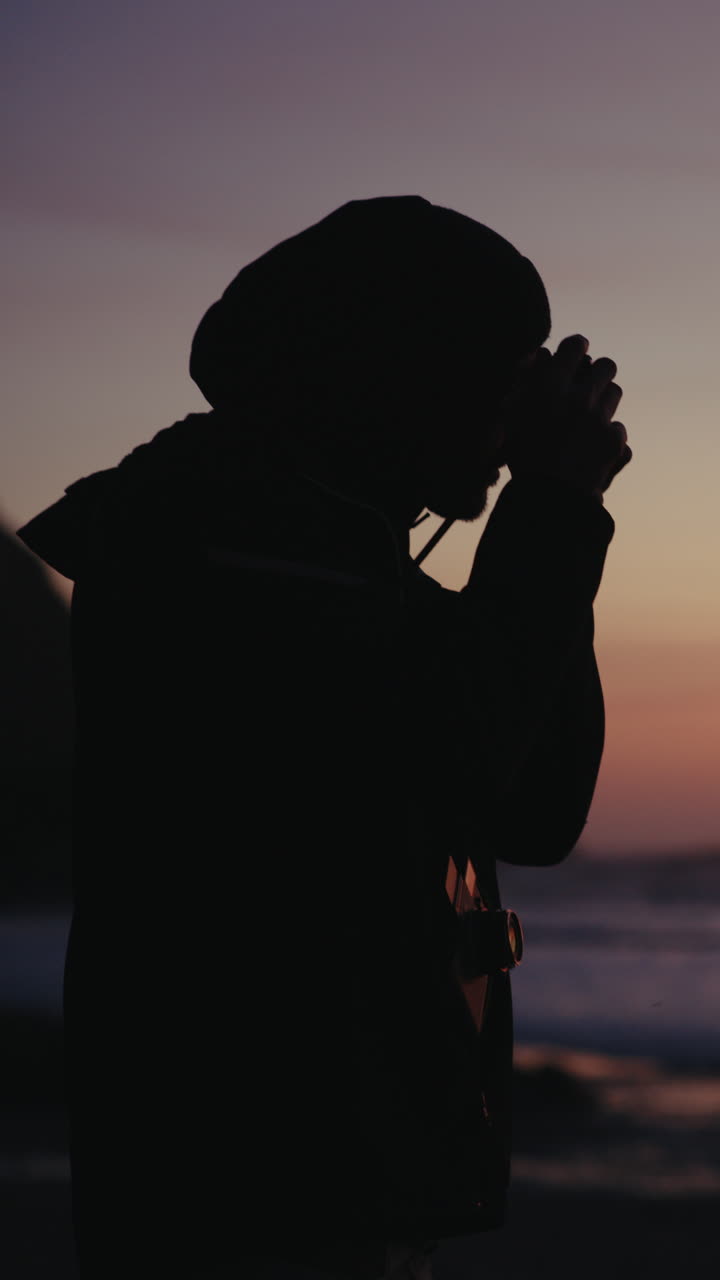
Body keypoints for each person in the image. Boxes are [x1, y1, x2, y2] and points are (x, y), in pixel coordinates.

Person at [17, 195, 630, 1279]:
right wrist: (548, 510)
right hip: (250, 1193)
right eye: (494, 381)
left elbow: (535, 809)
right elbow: (463, 747)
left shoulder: (333, 549)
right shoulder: (215, 547)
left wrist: (557, 520)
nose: (505, 425)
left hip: (330, 1177)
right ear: (393, 373)